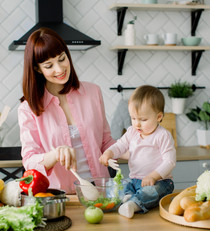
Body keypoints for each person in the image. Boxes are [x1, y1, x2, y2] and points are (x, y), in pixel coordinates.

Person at [18, 27, 116, 194]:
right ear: (37, 69)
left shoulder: (93, 92)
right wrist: (55, 154)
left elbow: (106, 142)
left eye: (62, 59)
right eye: (49, 65)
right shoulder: (28, 109)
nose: (59, 69)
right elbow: (29, 162)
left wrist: (138, 145)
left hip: (101, 191)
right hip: (61, 197)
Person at [99, 85, 176, 218]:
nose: (137, 124)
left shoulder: (162, 135)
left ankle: (133, 204)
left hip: (160, 182)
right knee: (122, 185)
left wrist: (153, 176)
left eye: (143, 119)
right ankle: (128, 197)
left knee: (152, 192)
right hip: (134, 180)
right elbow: (120, 146)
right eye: (133, 118)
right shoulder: (132, 132)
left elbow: (169, 161)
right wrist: (108, 153)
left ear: (158, 117)